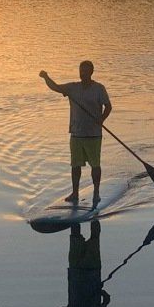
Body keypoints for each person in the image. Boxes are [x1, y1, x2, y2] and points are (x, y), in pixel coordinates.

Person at [39, 59, 113, 204]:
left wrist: (102, 119)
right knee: (75, 166)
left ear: (91, 72)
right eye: (81, 70)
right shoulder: (73, 88)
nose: (82, 73)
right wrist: (46, 77)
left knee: (95, 165)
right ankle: (75, 193)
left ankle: (96, 192)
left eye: (85, 71)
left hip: (93, 134)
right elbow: (56, 87)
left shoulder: (99, 88)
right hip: (76, 133)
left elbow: (108, 106)